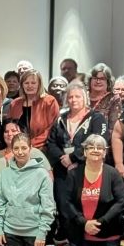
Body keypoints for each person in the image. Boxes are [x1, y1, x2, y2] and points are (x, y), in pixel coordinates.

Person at [63, 135, 124, 246]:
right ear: (84, 152)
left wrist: (101, 221)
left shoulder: (113, 174)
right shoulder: (73, 174)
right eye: (91, 147)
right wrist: (83, 222)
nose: (95, 150)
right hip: (81, 231)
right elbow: (66, 202)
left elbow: (120, 202)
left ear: (105, 153)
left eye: (99, 148)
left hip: (107, 231)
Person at [0, 133, 58, 246]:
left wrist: (42, 233)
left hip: (34, 229)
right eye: (16, 148)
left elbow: (48, 206)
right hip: (11, 228)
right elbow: (0, 203)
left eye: (24, 148)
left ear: (31, 148)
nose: (20, 152)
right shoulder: (5, 174)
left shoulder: (42, 174)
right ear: (12, 149)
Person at [44, 82, 109, 210]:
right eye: (70, 97)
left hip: (87, 170)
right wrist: (63, 158)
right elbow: (51, 143)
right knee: (64, 209)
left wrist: (73, 157)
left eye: (77, 96)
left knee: (83, 209)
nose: (73, 100)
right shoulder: (60, 118)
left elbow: (97, 142)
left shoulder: (96, 118)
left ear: (85, 98)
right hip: (62, 171)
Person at [7, 70, 60, 150]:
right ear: (22, 85)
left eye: (33, 83)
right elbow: (9, 127)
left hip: (43, 148)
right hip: (18, 148)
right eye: (26, 83)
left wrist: (31, 144)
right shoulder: (14, 103)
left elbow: (52, 129)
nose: (29, 86)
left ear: (39, 84)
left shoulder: (49, 101)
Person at [88, 64, 124, 162]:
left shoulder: (113, 98)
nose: (98, 81)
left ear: (108, 81)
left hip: (103, 147)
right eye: (95, 78)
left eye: (102, 78)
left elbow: (112, 128)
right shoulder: (83, 95)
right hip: (80, 145)